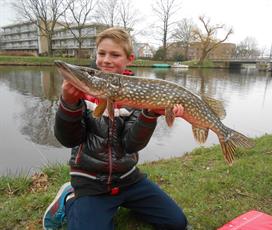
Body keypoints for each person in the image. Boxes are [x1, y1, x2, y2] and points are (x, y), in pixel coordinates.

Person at [43, 27, 188, 230]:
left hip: (129, 179)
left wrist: (150, 113)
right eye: (101, 53)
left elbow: (131, 144)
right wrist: (68, 103)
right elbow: (68, 139)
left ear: (130, 58)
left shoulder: (138, 95)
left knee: (177, 223)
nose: (106, 60)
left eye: (115, 54)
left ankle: (124, 204)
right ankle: (68, 200)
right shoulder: (83, 95)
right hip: (91, 183)